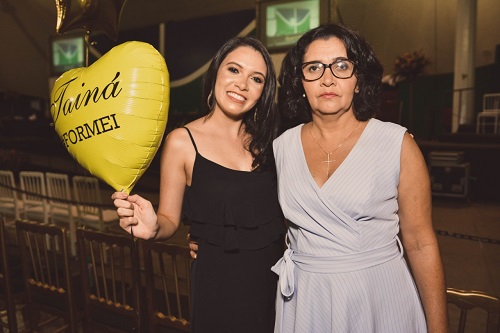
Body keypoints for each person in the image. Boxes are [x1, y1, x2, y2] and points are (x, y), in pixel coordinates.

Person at [271, 23, 449, 333]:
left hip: (378, 296)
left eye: (341, 66)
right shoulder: (281, 147)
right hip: (307, 299)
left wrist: (439, 328)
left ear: (358, 80)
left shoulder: (397, 144)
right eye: (313, 67)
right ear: (301, 82)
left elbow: (421, 244)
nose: (327, 78)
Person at [112, 36, 286, 332]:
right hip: (219, 285)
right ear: (216, 72)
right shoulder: (182, 141)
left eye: (255, 78)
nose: (242, 84)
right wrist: (154, 227)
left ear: (263, 91)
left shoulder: (271, 142)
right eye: (234, 70)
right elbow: (169, 219)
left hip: (275, 283)